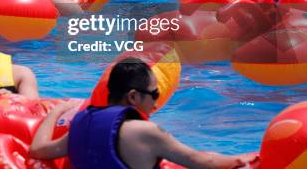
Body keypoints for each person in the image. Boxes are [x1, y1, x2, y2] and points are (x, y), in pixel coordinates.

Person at [30, 57, 258, 169]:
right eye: (154, 94)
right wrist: (240, 159)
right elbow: (200, 160)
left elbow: (38, 150)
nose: (156, 103)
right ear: (133, 97)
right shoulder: (145, 131)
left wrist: (55, 112)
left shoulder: (81, 122)